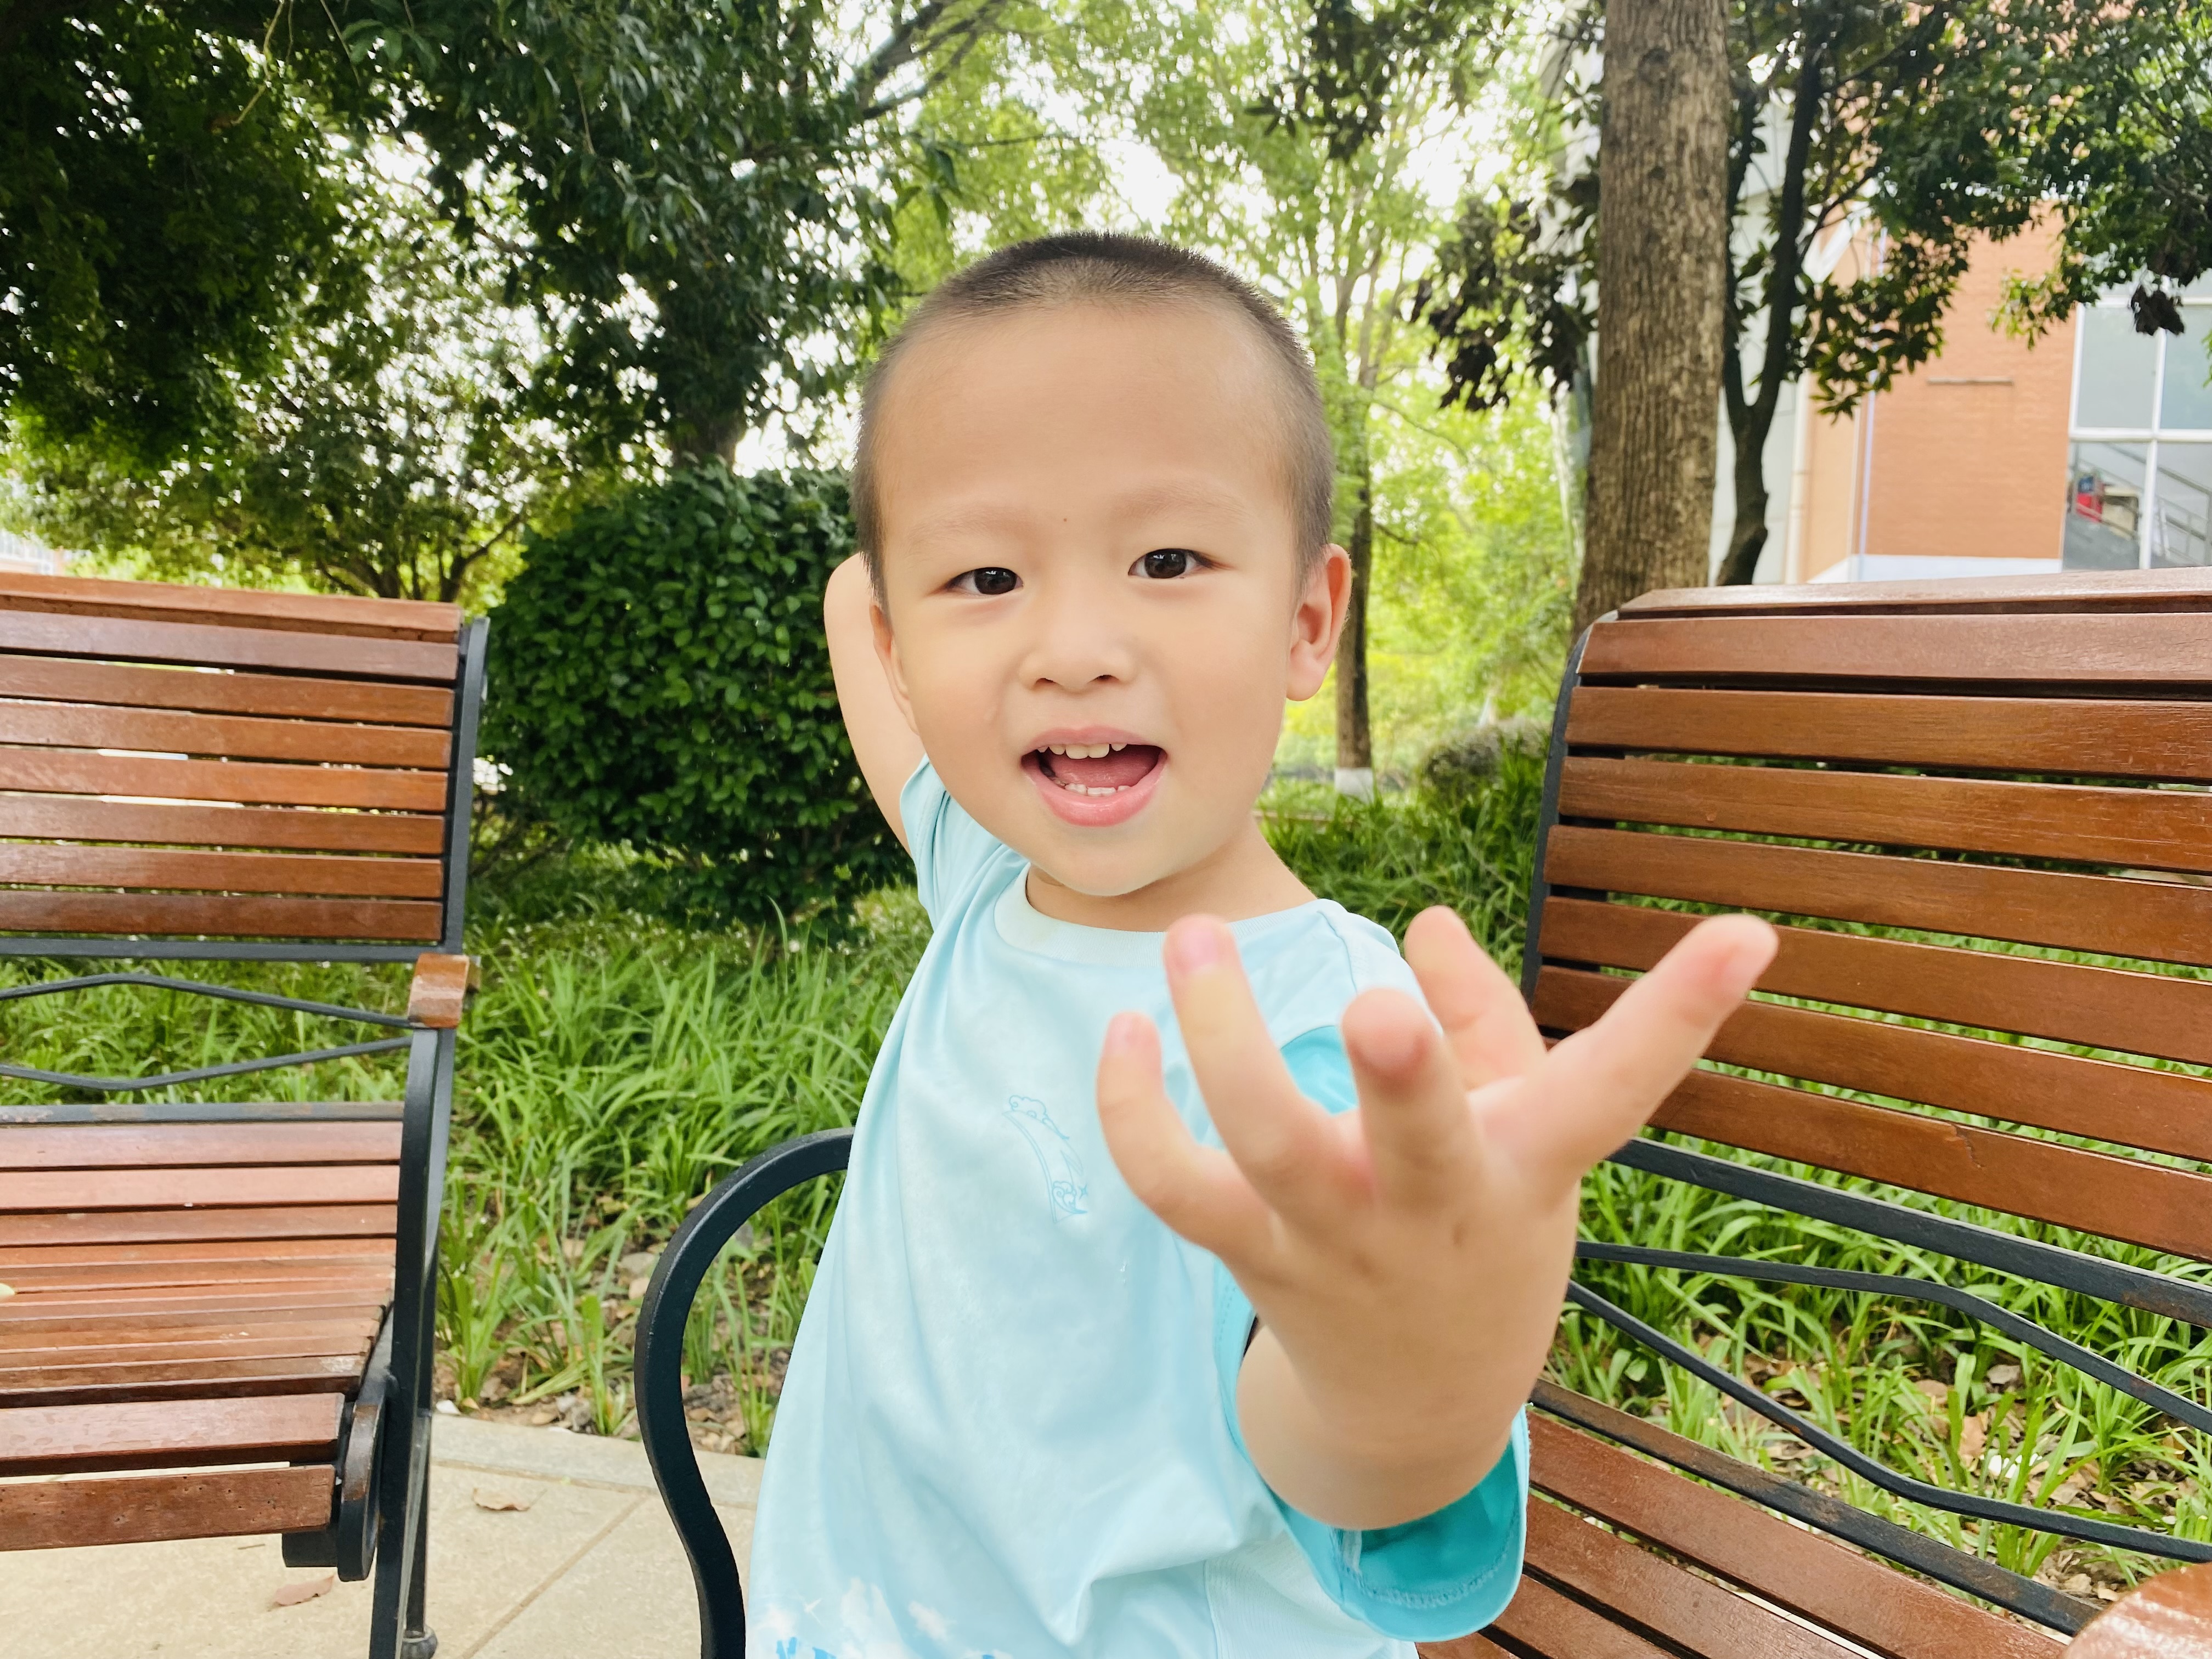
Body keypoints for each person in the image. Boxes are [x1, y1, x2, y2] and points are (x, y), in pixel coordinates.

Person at [747, 232, 1776, 1659]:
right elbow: (856, 606)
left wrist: (1411, 1390)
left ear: (1306, 623)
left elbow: (1334, 1458)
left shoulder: (1325, 1033)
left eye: (1165, 558)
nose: (1074, 646)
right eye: (988, 578)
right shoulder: (988, 875)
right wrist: (924, 541)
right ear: (903, 654)